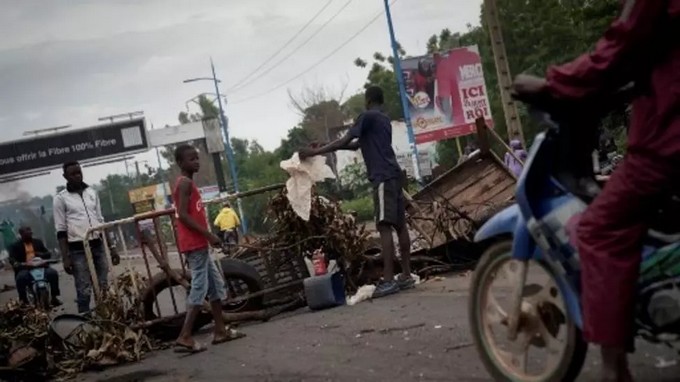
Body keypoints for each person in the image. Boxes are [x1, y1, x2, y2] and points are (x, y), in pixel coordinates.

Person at [512, 2, 680, 381]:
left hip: (667, 143)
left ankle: (613, 369)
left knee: (599, 231)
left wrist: (552, 83)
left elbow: (621, 46)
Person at [299, 85, 416, 298]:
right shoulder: (383, 120)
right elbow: (353, 146)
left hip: (382, 177)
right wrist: (324, 145)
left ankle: (389, 281)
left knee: (383, 226)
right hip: (394, 175)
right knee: (400, 226)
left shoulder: (367, 116)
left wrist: (314, 152)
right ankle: (406, 275)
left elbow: (344, 140)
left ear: (368, 100)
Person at [172, 144, 244, 353]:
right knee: (200, 287)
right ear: (180, 163)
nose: (196, 162)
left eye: (197, 158)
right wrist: (210, 235)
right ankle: (185, 335)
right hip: (195, 244)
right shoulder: (184, 184)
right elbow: (183, 216)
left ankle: (220, 331)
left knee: (215, 286)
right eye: (191, 159)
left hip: (200, 243)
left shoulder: (188, 184)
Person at [54, 161, 110, 314]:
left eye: (79, 172)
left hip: (97, 244)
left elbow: (100, 220)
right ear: (65, 176)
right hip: (77, 248)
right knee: (83, 287)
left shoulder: (92, 192)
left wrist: (111, 248)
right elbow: (60, 230)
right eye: (73, 174)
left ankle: (106, 316)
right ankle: (86, 323)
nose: (77, 176)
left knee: (103, 284)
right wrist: (66, 257)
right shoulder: (60, 199)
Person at [8, 226, 62, 306]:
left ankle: (54, 297)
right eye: (27, 234)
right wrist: (17, 264)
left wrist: (41, 254)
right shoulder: (15, 246)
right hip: (26, 268)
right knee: (20, 278)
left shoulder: (38, 242)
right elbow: (12, 258)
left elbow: (48, 254)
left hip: (41, 266)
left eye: (30, 233)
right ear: (21, 234)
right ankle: (24, 301)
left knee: (53, 273)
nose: (30, 235)